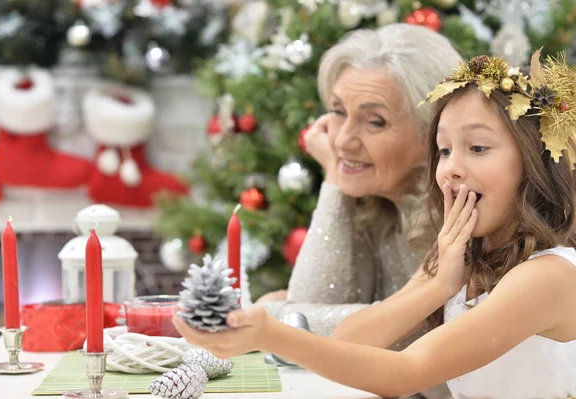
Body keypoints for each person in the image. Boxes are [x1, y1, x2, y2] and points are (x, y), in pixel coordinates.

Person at [174, 51, 576, 399]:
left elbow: (405, 373)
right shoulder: (464, 254)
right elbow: (351, 341)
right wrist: (436, 285)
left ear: (535, 163)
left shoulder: (548, 276)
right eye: (444, 150)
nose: (451, 168)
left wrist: (269, 335)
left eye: (478, 148)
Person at [257, 24, 463, 342]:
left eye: (374, 121)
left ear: (434, 133)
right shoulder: (374, 199)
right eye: (338, 112)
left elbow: (401, 340)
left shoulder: (458, 215)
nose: (343, 140)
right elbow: (319, 303)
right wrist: (335, 178)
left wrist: (276, 317)